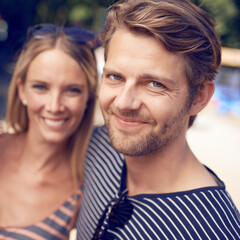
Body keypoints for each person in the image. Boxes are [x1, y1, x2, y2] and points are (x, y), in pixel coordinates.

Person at [76, 0, 240, 239]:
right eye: (115, 76)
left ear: (200, 96)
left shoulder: (213, 230)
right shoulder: (96, 147)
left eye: (155, 84)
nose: (123, 103)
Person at [0, 24, 98, 239]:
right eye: (41, 87)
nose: (55, 106)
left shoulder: (83, 193)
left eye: (72, 90)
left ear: (88, 99)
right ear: (21, 90)